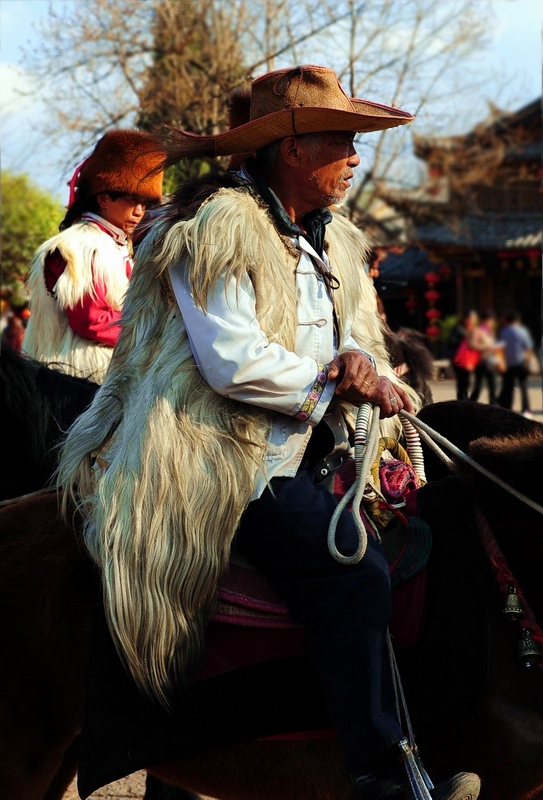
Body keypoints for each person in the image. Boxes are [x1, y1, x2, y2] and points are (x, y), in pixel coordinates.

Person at [59, 66, 480, 800]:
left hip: (324, 445)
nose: (355, 156)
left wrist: (376, 376)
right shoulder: (215, 228)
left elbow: (363, 343)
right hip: (226, 450)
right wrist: (330, 377)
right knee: (349, 573)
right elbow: (231, 362)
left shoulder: (336, 239)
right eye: (341, 140)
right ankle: (381, 774)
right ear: (291, 148)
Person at [23, 130, 164, 383]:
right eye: (132, 200)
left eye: (145, 203)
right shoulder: (82, 246)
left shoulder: (114, 245)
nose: (139, 211)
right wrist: (152, 329)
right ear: (105, 198)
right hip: (72, 379)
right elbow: (92, 321)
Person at [498, 309, 535, 417]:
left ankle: (507, 409)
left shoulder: (503, 331)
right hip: (521, 363)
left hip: (508, 364)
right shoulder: (522, 331)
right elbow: (528, 347)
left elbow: (501, 348)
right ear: (517, 319)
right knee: (523, 387)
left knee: (508, 387)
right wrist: (528, 361)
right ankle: (526, 409)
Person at [468, 310, 503, 405]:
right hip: (481, 361)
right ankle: (470, 405)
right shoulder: (478, 330)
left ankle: (494, 406)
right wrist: (486, 347)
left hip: (490, 361)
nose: (493, 323)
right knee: (478, 387)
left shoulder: (490, 331)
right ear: (487, 320)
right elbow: (472, 344)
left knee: (493, 386)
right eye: (492, 320)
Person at [450, 310, 479, 400]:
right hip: (459, 360)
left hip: (467, 360)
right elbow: (451, 341)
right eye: (472, 319)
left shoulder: (470, 330)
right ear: (466, 319)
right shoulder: (459, 329)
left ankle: (464, 399)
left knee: (466, 382)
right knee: (462, 382)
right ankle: (462, 400)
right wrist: (464, 341)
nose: (473, 321)